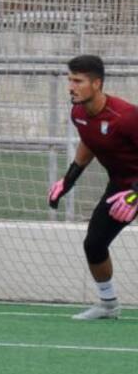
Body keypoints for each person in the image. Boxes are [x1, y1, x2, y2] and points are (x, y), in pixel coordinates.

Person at [48, 54, 138, 319]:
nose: (71, 87)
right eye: (69, 80)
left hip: (133, 190)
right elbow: (89, 141)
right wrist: (68, 179)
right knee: (94, 244)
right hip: (121, 187)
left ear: (96, 84)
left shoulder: (127, 116)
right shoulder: (78, 112)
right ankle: (108, 305)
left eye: (78, 81)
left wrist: (135, 194)